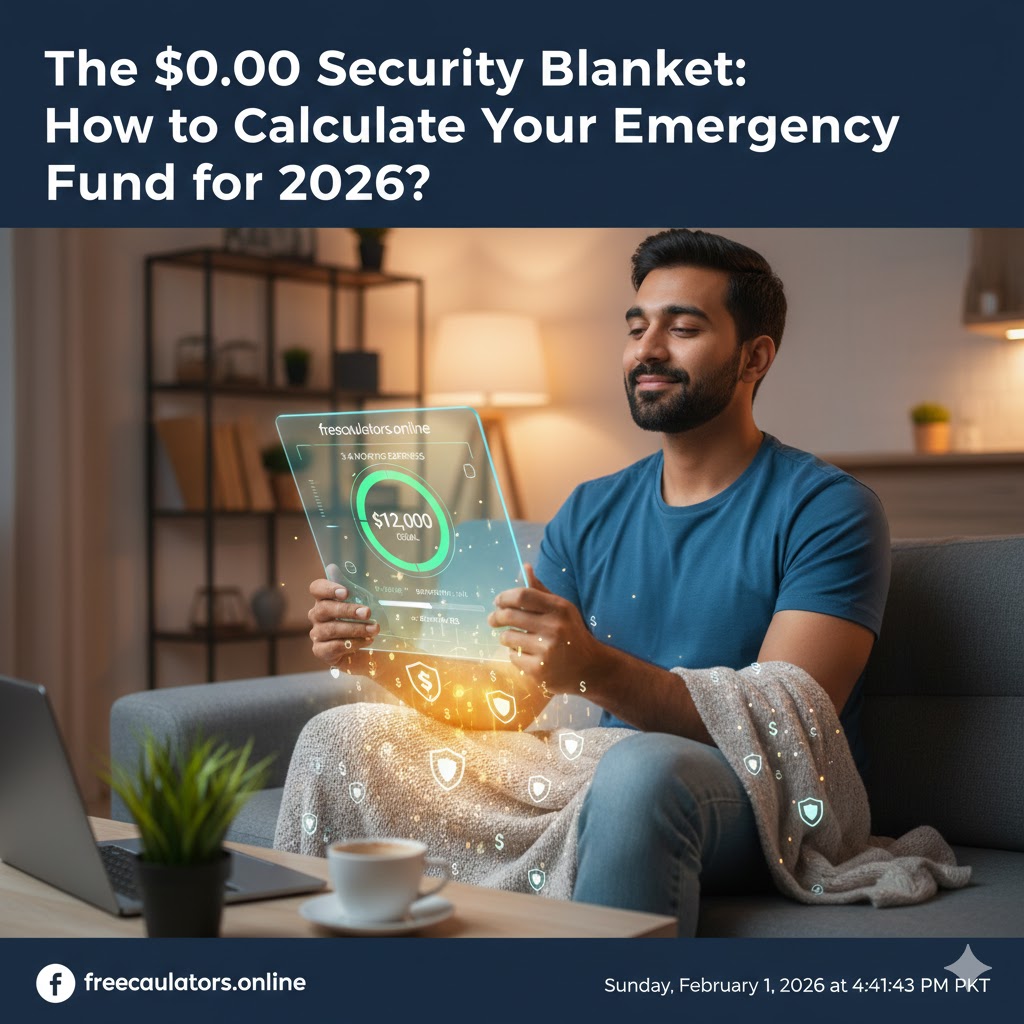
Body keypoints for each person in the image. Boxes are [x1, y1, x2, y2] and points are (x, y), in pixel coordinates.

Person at [305, 228, 891, 934]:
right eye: (637, 327)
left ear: (754, 356)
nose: (647, 349)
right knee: (343, 734)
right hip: (607, 778)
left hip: (758, 794)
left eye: (683, 328)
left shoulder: (828, 508)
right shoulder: (590, 508)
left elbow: (787, 722)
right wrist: (377, 655)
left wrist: (593, 670)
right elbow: (507, 704)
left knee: (640, 772)